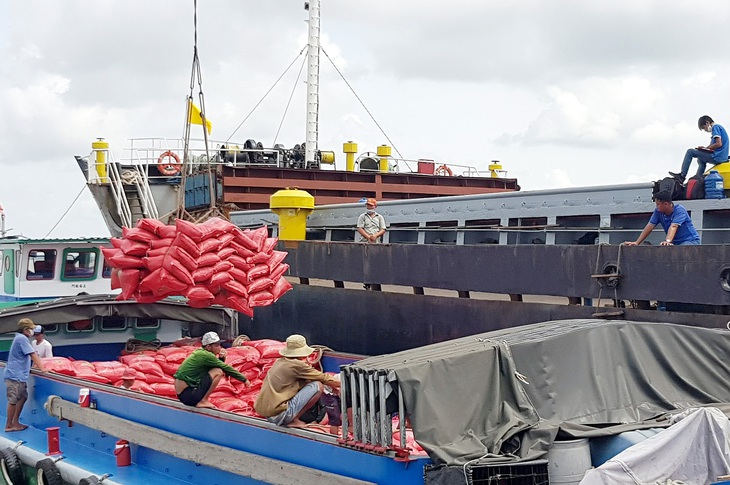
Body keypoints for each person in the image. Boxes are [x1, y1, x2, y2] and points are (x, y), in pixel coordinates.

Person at [254, 334, 341, 429]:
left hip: (268, 414)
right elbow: (323, 377)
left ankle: (290, 418)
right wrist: (344, 384)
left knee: (311, 383)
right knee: (317, 386)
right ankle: (292, 419)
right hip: (279, 415)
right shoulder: (297, 365)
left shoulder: (280, 361)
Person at [173, 331, 249, 408]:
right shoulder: (206, 355)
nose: (220, 348)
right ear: (208, 347)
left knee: (217, 370)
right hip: (188, 396)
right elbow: (225, 368)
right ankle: (203, 401)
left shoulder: (201, 353)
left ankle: (202, 400)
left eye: (219, 345)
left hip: (186, 394)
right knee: (218, 372)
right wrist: (244, 380)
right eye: (217, 345)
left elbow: (214, 366)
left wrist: (221, 358)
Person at [5, 318, 46, 432]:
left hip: (19, 375)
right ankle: (9, 425)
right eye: (31, 329)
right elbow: (32, 354)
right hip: (15, 375)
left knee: (23, 397)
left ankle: (15, 422)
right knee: (13, 400)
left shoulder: (19, 338)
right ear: (25, 330)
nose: (33, 332)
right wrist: (43, 368)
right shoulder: (22, 339)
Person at [623, 190, 700, 246]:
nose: (656, 206)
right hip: (675, 243)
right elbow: (649, 227)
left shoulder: (680, 210)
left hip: (690, 241)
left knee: (681, 251)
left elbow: (673, 226)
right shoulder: (658, 211)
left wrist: (668, 241)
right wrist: (637, 242)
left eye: (658, 204)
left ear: (666, 204)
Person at [669, 115, 729, 181]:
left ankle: (682, 176)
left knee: (690, 152)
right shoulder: (719, 128)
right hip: (721, 156)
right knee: (700, 159)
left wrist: (706, 148)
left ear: (707, 123)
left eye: (704, 128)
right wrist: (705, 149)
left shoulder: (715, 127)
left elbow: (719, 144)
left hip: (718, 157)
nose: (705, 130)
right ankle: (698, 179)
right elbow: (716, 145)